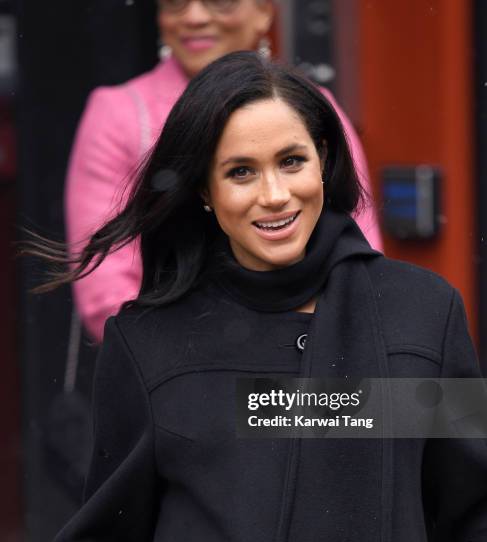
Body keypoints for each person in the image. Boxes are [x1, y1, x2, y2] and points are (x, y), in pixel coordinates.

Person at [36, 52, 487, 542]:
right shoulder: (149, 343)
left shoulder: (422, 313)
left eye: (291, 161)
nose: (274, 195)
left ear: (323, 158)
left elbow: (475, 507)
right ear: (205, 189)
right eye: (240, 171)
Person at [66, 0, 382, 343]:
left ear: (264, 11)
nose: (194, 17)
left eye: (220, 2)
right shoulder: (119, 113)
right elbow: (106, 293)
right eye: (175, 3)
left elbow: (358, 242)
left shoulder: (308, 106)